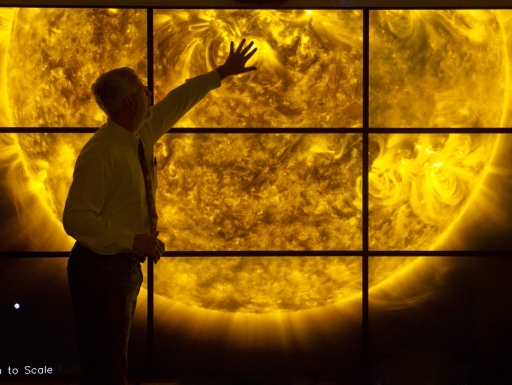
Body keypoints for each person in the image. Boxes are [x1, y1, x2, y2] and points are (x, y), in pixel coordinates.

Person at [63, 39, 257, 385]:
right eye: (143, 91)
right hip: (100, 272)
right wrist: (133, 240)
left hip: (119, 268)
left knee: (110, 362)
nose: (150, 95)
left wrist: (222, 73)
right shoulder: (102, 153)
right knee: (107, 367)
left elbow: (178, 100)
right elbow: (76, 219)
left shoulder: (140, 134)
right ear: (128, 103)